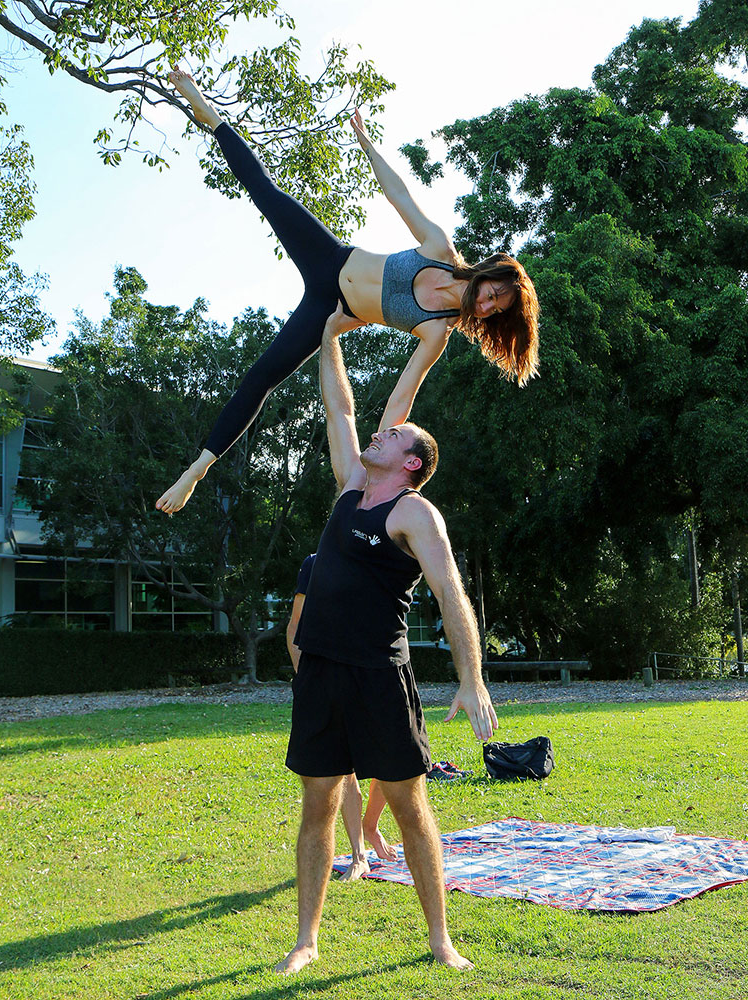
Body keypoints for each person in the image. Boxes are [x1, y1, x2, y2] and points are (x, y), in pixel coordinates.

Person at [155, 68, 540, 515]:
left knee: (263, 377)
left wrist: (378, 459)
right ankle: (209, 112)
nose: (487, 304)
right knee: (265, 191)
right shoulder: (440, 249)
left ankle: (196, 471)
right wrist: (367, 143)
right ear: (489, 274)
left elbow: (403, 395)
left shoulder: (438, 330)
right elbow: (398, 195)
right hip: (330, 258)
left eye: (495, 308)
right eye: (493, 293)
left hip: (328, 309)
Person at [275, 303, 498, 975]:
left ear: (412, 462)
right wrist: (328, 337)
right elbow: (338, 410)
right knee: (318, 805)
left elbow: (451, 595)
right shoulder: (351, 489)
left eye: (394, 435)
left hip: (379, 677)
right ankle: (307, 941)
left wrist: (472, 677)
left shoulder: (414, 512)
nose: (379, 433)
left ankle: (439, 940)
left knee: (409, 806)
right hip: (321, 674)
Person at [287, 554, 397, 882]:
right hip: (325, 680)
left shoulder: (378, 560)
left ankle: (371, 828)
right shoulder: (314, 564)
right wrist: (304, 677)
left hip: (373, 674)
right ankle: (359, 855)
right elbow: (295, 625)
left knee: (393, 764)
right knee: (343, 773)